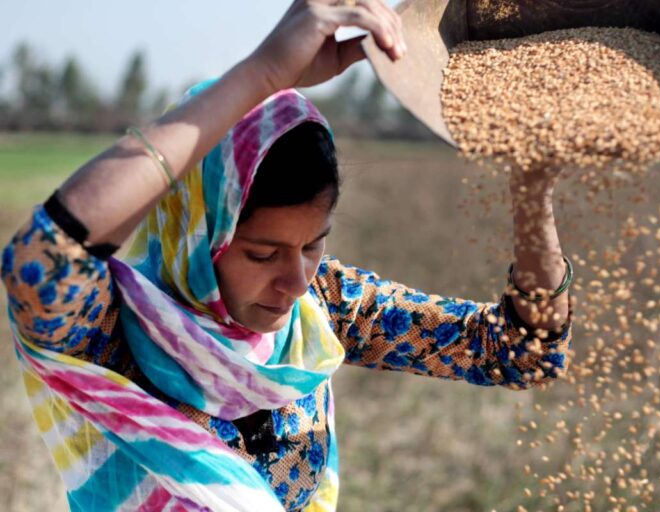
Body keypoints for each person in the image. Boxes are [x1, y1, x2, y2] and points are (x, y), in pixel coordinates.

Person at [1, 1, 573, 510]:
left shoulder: (323, 309)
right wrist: (264, 73)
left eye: (313, 244)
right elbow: (40, 263)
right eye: (262, 254)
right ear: (200, 238)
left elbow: (522, 354)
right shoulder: (116, 334)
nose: (295, 281)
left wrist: (533, 198)